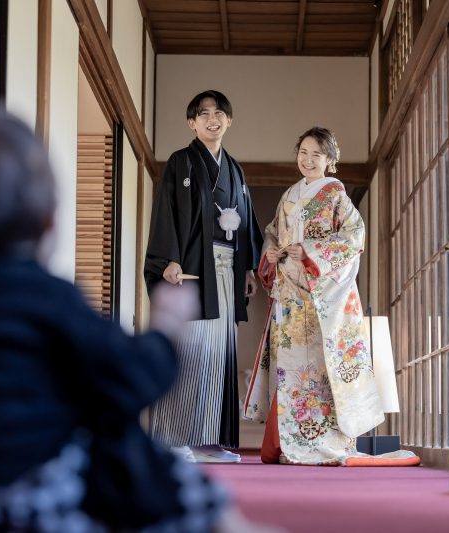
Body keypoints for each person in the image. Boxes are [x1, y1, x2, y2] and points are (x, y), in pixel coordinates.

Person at [0, 109, 279, 533]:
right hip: (32, 502)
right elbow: (132, 377)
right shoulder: (47, 296)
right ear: (49, 220)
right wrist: (166, 330)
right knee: (129, 449)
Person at [243, 127, 419, 467]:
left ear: (330, 161)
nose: (308, 160)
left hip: (320, 300)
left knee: (321, 373)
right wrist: (273, 253)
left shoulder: (336, 195)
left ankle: (320, 442)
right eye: (303, 152)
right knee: (289, 371)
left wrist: (308, 251)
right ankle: (289, 443)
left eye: (317, 155)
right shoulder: (289, 195)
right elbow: (270, 232)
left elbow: (354, 237)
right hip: (290, 302)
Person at [145, 90, 263, 464]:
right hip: (193, 270)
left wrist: (247, 267)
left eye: (219, 113)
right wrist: (169, 259)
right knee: (190, 350)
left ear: (229, 121)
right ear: (192, 122)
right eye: (203, 114)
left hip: (227, 272)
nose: (212, 119)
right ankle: (171, 437)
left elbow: (246, 224)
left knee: (220, 353)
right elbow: (167, 212)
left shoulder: (235, 169)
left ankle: (209, 441)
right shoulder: (181, 162)